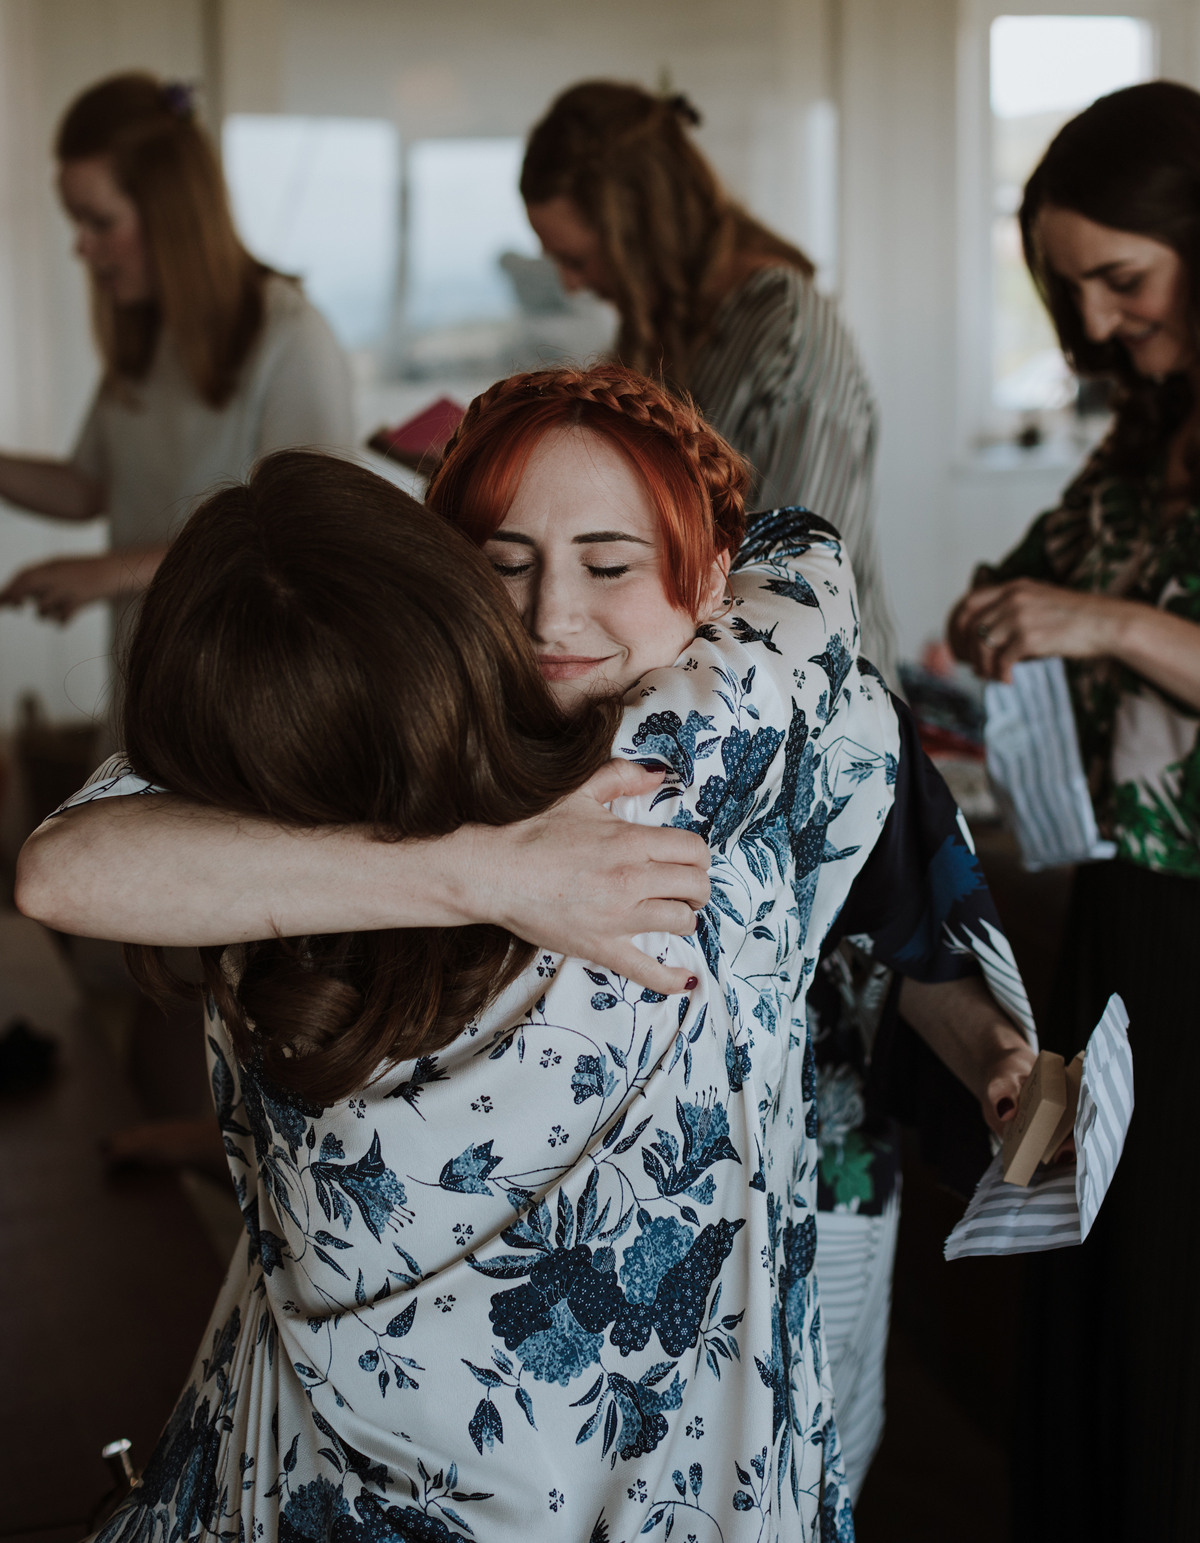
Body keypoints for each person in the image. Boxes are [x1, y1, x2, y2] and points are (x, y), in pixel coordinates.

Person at [24, 369, 1034, 1516]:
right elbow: (801, 554)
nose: (551, 616)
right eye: (501, 566)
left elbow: (66, 867)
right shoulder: (366, 757)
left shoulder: (737, 744)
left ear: (709, 579)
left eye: (609, 564)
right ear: (438, 587)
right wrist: (488, 871)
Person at [946, 80, 1200, 1541]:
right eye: (1069, 288)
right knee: (1096, 1263)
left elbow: (1104, 615)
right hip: (1119, 913)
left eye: (1125, 277)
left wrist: (1097, 624)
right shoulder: (1144, 434)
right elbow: (1049, 577)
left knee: (1175, 1296)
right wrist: (1005, 613)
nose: (1095, 322)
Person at [518, 79, 899, 683]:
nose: (571, 285)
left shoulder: (784, 333)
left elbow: (796, 577)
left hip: (802, 703)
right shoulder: (672, 328)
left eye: (580, 260)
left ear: (639, 231)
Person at [0, 70, 352, 679]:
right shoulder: (146, 341)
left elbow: (307, 542)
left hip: (245, 692)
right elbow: (86, 488)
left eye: (99, 221)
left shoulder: (289, 338)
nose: (81, 248)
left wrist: (104, 573)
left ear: (170, 213)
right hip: (147, 679)